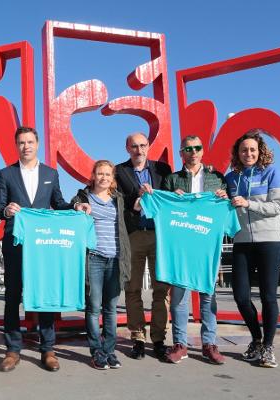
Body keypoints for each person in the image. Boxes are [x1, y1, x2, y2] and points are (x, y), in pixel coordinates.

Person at [0, 126, 89, 372]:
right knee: (13, 296)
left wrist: (75, 207)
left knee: (46, 296)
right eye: (21, 143)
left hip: (43, 244)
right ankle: (12, 350)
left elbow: (58, 203)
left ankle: (48, 348)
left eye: (30, 142)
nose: (26, 146)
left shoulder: (51, 173)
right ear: (16, 146)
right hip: (15, 242)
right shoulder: (6, 173)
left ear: (37, 144)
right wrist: (6, 211)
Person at [161, 135, 228, 364]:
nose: (193, 152)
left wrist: (224, 196)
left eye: (197, 147)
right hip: (180, 245)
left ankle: (209, 343)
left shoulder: (217, 178)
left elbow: (226, 208)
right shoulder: (171, 179)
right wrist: (172, 197)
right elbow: (164, 208)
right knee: (179, 296)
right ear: (182, 153)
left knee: (208, 295)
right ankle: (180, 343)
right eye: (188, 149)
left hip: (207, 245)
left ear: (202, 151)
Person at [225, 129, 280, 368]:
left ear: (260, 151)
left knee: (268, 297)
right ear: (237, 153)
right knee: (240, 296)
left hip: (269, 241)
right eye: (243, 150)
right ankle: (256, 339)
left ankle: (269, 347)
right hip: (241, 242)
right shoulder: (231, 178)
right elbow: (226, 207)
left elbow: (278, 206)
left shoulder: (271, 172)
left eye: (252, 149)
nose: (248, 153)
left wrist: (248, 203)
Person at [115, 132, 172, 359]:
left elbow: (169, 198)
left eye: (143, 145)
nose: (139, 150)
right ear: (127, 148)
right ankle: (137, 336)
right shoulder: (119, 172)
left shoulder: (162, 170)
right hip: (134, 234)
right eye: (134, 146)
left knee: (161, 289)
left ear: (149, 146)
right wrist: (135, 201)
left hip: (160, 235)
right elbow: (116, 201)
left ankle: (159, 339)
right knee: (133, 288)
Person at [71, 160, 130, 370]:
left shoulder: (119, 199)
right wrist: (77, 206)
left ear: (112, 178)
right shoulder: (83, 197)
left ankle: (109, 351)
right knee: (94, 308)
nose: (104, 177)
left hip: (115, 259)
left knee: (111, 309)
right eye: (100, 173)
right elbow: (71, 209)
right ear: (93, 175)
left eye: (108, 174)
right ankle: (96, 351)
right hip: (93, 259)